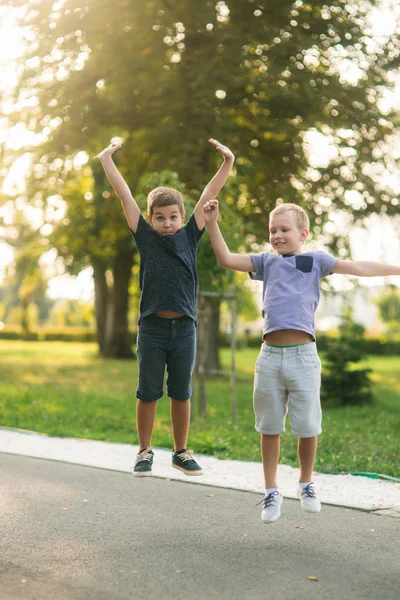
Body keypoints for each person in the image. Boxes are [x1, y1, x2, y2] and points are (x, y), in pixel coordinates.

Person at [203, 199, 400, 523]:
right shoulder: (266, 262)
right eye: (273, 230)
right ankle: (270, 491)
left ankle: (306, 482)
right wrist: (212, 223)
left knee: (308, 426)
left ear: (303, 233)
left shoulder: (316, 260)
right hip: (269, 358)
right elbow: (226, 259)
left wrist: (395, 269)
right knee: (269, 427)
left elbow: (360, 267)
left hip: (304, 357)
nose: (277, 235)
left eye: (284, 229)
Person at [94, 139, 234, 477]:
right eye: (160, 217)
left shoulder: (190, 235)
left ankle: (180, 451)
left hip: (185, 329)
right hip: (152, 330)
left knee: (181, 393)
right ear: (150, 219)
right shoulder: (145, 236)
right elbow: (124, 195)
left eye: (173, 217)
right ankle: (144, 451)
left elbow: (207, 194)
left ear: (184, 217)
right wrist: (107, 159)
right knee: (147, 393)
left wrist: (227, 162)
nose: (167, 223)